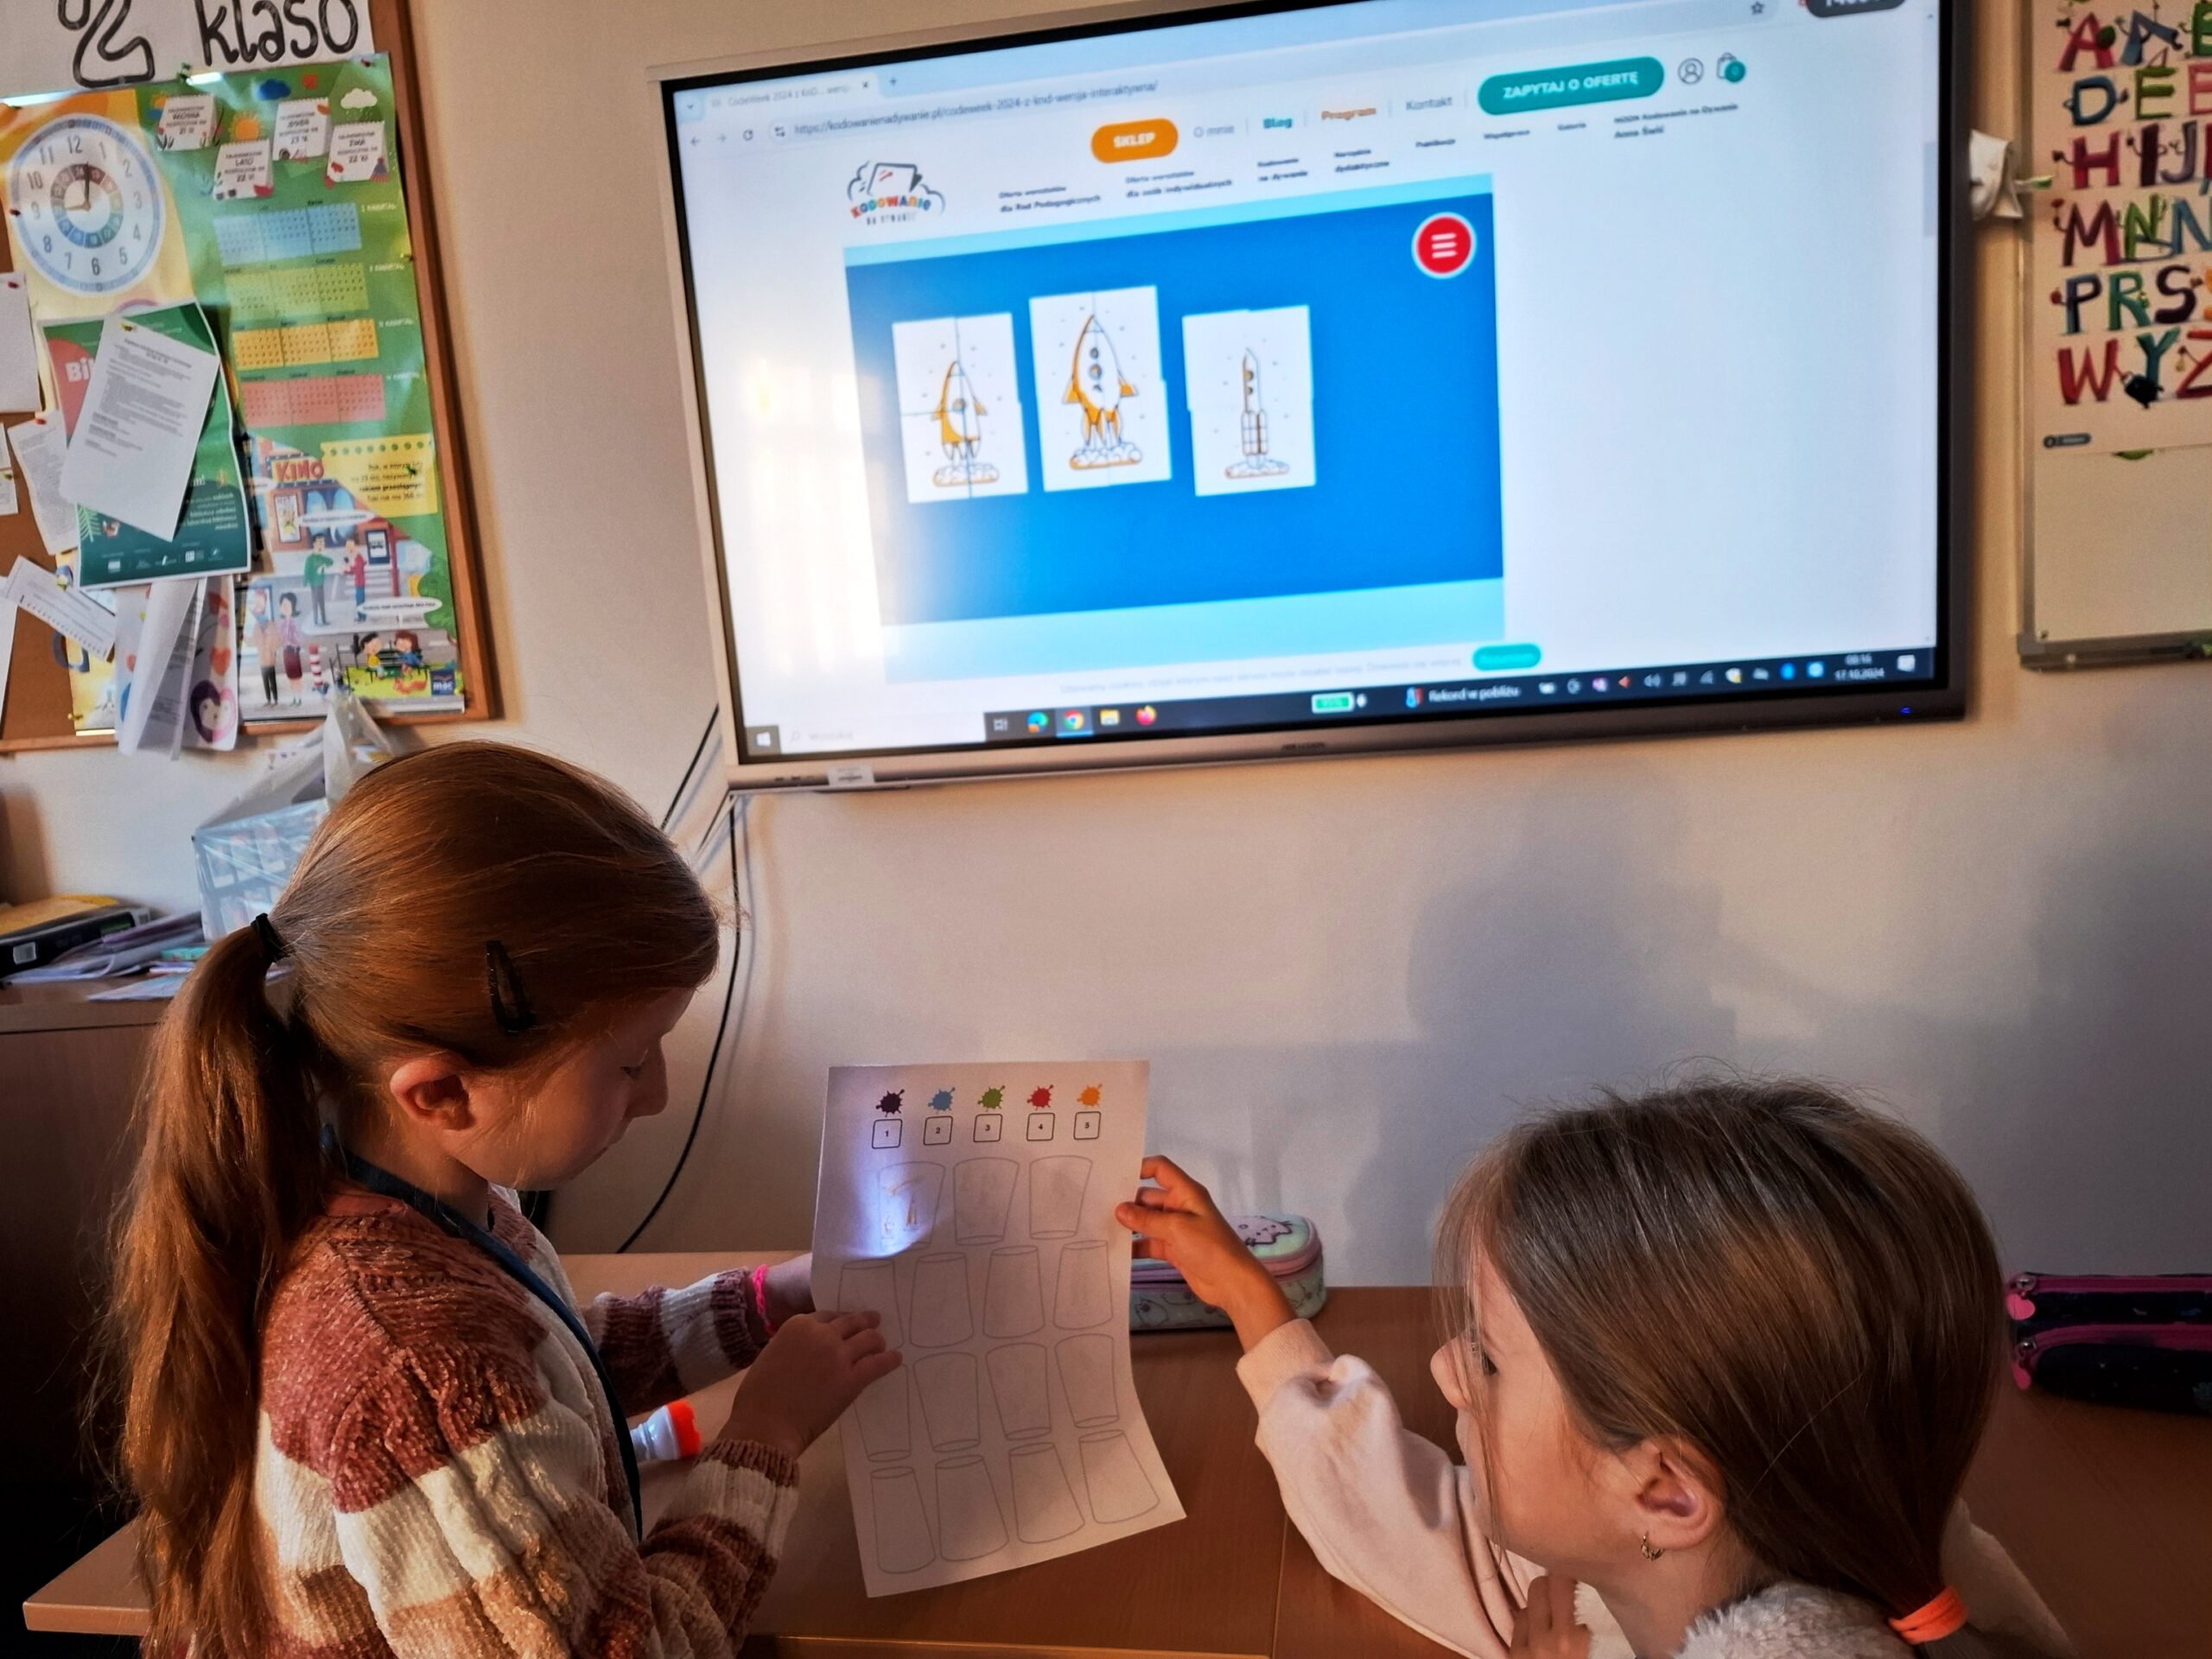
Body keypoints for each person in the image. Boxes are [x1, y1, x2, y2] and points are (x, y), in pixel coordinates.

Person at [105, 742, 899, 1656]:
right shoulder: (415, 1369)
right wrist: (767, 1433)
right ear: (442, 1093)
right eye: (629, 1062)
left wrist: (763, 1303)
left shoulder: (426, 1205)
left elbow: (555, 1369)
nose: (657, 1094)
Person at [1122, 1080, 2075, 1659]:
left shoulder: (1597, 1604)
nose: (1445, 1369)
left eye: (1490, 1360)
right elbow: (1402, 1520)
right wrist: (1251, 1299)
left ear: (1665, 1491)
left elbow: (1403, 1531)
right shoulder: (1846, 1514)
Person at [249, 583, 280, 706]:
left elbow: (277, 640)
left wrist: (272, 650)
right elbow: (252, 640)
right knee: (265, 681)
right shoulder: (257, 627)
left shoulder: (271, 624)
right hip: (262, 659)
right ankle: (268, 700)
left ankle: (275, 700)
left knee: (272, 680)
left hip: (270, 659)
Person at [276, 589, 307, 704]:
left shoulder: (294, 623)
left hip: (293, 652)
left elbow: (298, 637)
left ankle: (299, 698)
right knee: (290, 677)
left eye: (287, 605)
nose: (285, 608)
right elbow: (281, 638)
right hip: (286, 653)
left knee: (296, 677)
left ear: (293, 607)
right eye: (283, 605)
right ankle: (294, 697)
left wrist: (292, 643)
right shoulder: (282, 624)